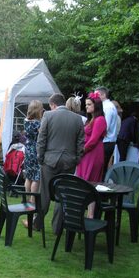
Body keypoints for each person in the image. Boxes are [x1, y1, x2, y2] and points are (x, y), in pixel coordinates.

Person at [36, 93, 85, 234]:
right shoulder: (78, 119)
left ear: (52, 104)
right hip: (69, 162)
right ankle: (57, 228)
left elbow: (41, 139)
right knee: (62, 194)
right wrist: (76, 159)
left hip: (49, 161)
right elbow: (80, 142)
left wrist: (40, 158)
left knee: (44, 193)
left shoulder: (48, 116)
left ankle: (38, 223)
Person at [76, 92, 107, 218]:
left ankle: (90, 215)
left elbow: (93, 140)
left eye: (89, 104)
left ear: (96, 105)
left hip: (93, 154)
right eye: (86, 104)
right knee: (83, 182)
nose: (87, 107)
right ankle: (82, 213)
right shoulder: (92, 119)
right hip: (86, 154)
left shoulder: (100, 120)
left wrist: (82, 150)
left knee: (90, 183)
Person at [21, 100, 43, 228]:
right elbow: (42, 136)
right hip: (35, 150)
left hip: (28, 150)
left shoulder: (26, 121)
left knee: (28, 175)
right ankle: (32, 201)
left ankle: (28, 198)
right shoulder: (37, 123)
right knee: (36, 177)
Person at [96, 87, 118, 174]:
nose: (94, 97)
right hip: (107, 141)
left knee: (102, 169)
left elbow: (105, 127)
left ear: (103, 95)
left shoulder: (108, 107)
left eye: (96, 95)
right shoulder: (106, 106)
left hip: (106, 142)